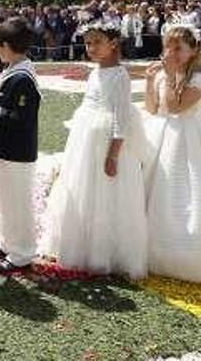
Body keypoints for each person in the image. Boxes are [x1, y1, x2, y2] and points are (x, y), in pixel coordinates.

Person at [41, 23, 147, 278]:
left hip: (105, 142)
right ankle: (81, 244)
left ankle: (103, 252)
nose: (91, 48)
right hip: (85, 139)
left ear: (113, 43)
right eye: (88, 43)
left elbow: (122, 118)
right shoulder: (94, 73)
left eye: (97, 42)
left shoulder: (119, 75)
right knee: (83, 188)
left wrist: (113, 154)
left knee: (104, 194)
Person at [0, 18, 41, 273]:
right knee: (6, 199)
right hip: (6, 149)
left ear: (6, 45)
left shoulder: (23, 78)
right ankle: (9, 242)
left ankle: (22, 252)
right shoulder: (14, 70)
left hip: (18, 151)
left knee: (18, 202)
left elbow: (20, 119)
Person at [144, 26, 201, 282]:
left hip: (187, 138)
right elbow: (153, 108)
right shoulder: (162, 76)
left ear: (194, 50)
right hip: (160, 134)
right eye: (169, 47)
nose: (172, 52)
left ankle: (179, 250)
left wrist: (167, 76)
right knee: (153, 186)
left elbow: (177, 108)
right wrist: (149, 81)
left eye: (179, 48)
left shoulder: (197, 79)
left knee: (182, 191)